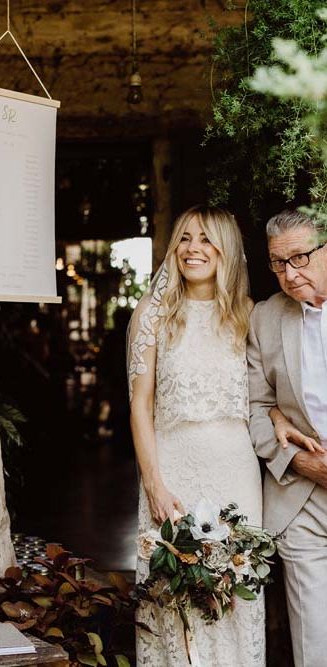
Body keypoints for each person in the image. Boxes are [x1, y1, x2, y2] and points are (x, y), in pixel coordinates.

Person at [128, 206, 272, 665]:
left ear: (226, 250)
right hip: (172, 475)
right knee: (173, 600)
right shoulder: (153, 315)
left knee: (234, 600)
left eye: (206, 239)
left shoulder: (249, 315)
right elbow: (140, 404)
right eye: (185, 238)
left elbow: (269, 395)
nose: (193, 249)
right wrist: (153, 483)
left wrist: (284, 423)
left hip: (236, 475)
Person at [248, 210, 327, 667]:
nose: (289, 274)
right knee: (315, 648)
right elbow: (255, 407)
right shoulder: (264, 317)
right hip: (301, 502)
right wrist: (298, 461)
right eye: (278, 263)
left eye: (299, 258)